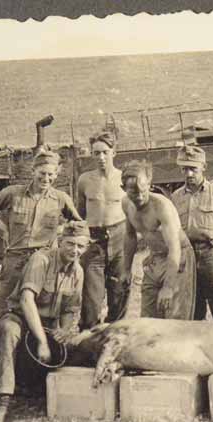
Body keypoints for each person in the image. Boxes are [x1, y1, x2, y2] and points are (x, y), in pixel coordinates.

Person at [0, 221, 90, 422]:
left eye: (80, 246)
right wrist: (42, 341)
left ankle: (36, 388)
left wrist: (64, 331)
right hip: (20, 318)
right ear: (60, 241)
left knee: (77, 348)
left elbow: (70, 309)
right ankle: (1, 403)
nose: (75, 250)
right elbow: (26, 301)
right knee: (8, 331)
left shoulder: (78, 271)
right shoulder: (41, 260)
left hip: (48, 325)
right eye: (70, 244)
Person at [0, 150, 81, 316]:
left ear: (56, 175)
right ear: (33, 171)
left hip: (44, 260)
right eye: (42, 173)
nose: (46, 178)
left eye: (50, 174)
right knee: (5, 306)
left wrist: (61, 231)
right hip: (16, 258)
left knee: (41, 306)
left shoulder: (61, 198)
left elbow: (79, 224)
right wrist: (4, 229)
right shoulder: (13, 193)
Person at [121, 160, 196, 320]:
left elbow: (174, 247)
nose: (139, 197)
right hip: (155, 258)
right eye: (133, 192)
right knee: (148, 318)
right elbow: (130, 235)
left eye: (143, 191)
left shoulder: (162, 206)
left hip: (178, 258)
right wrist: (126, 269)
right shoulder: (126, 204)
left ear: (149, 185)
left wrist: (169, 286)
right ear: (124, 189)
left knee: (174, 318)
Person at [171, 145, 213, 321]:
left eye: (193, 168)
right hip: (187, 259)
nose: (189, 173)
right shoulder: (176, 196)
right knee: (192, 318)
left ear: (204, 167)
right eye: (184, 169)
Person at [76, 131, 129, 330]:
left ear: (114, 152)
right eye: (96, 153)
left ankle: (116, 339)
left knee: (119, 293)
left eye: (105, 152)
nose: (100, 157)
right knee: (91, 299)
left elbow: (135, 209)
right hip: (94, 241)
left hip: (120, 238)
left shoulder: (124, 178)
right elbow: (80, 213)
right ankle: (88, 340)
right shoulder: (85, 180)